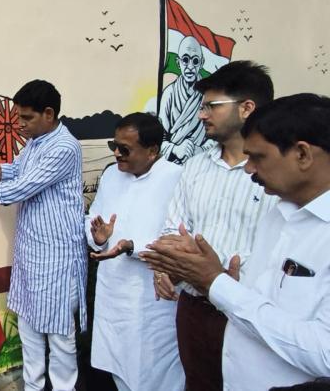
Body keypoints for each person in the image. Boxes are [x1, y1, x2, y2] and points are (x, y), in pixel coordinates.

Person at [141, 93, 330, 390]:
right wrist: (215, 275)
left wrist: (216, 283)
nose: (249, 169)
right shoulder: (278, 214)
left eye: (258, 157)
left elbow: (324, 355)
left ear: (303, 155)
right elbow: (261, 300)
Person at [0, 79, 87, 391]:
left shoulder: (64, 147)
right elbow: (15, 171)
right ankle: (33, 386)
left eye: (26, 118)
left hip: (57, 258)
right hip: (31, 253)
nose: (20, 124)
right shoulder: (36, 141)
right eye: (19, 117)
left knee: (59, 336)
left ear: (48, 114)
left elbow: (20, 188)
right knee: (29, 328)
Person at [153, 60, 278, 390]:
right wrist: (166, 267)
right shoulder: (195, 167)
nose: (201, 115)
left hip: (250, 313)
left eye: (212, 106)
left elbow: (283, 246)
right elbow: (174, 229)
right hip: (194, 308)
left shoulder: (277, 174)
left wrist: (224, 279)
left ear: (247, 108)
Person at [86, 113, 184, 391]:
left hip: (152, 298)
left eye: (125, 149)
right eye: (114, 146)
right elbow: (93, 219)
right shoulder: (111, 175)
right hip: (113, 294)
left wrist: (133, 246)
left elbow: (179, 238)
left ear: (152, 151)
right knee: (118, 367)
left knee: (157, 373)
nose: (117, 153)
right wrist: (98, 238)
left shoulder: (177, 178)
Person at [159, 36, 216, 164]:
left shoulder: (208, 94)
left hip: (203, 164)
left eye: (195, 61)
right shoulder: (169, 93)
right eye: (185, 60)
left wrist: (201, 150)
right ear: (178, 62)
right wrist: (175, 149)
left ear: (201, 63)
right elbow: (159, 138)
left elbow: (217, 134)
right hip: (172, 164)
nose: (190, 66)